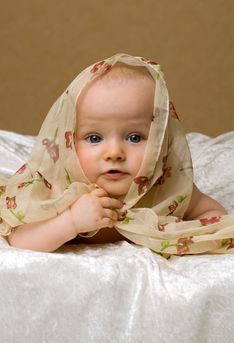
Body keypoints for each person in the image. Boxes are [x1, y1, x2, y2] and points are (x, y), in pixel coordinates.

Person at [0, 53, 233, 255]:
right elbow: (21, 240)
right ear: (69, 142)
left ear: (161, 142)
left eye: (134, 138)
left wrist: (176, 231)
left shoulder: (166, 188)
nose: (114, 153)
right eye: (94, 138)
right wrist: (70, 221)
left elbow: (215, 216)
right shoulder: (60, 187)